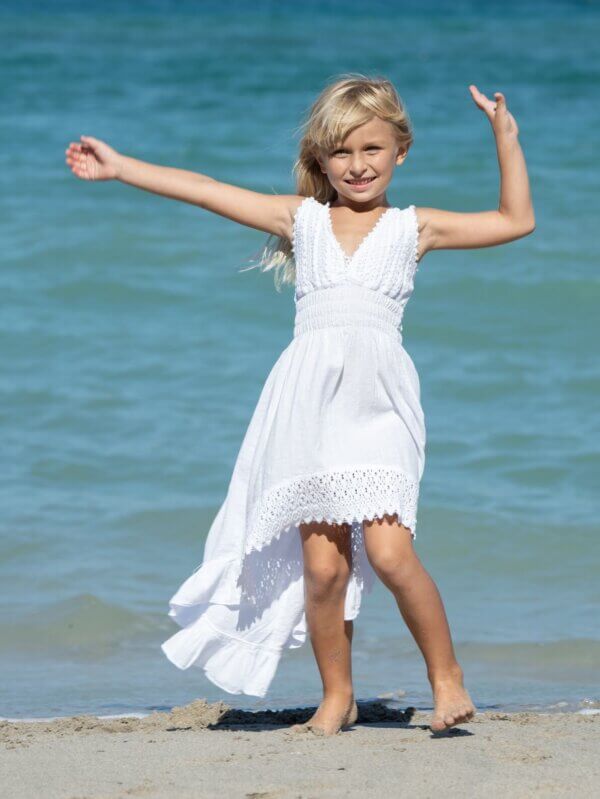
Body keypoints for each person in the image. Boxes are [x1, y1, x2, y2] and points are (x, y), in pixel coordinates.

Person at [65, 73, 535, 737]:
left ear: (401, 151)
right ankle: (336, 696)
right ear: (320, 161)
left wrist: (505, 138)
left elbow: (517, 220)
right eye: (341, 153)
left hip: (380, 410)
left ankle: (447, 676)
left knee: (393, 554)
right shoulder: (303, 220)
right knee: (322, 567)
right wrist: (121, 168)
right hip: (307, 412)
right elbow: (204, 189)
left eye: (372, 149)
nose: (358, 164)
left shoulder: (413, 228)